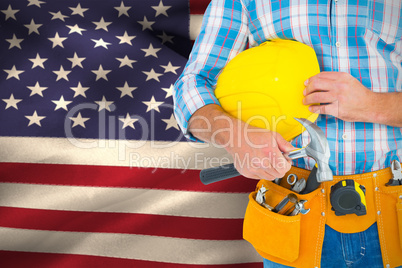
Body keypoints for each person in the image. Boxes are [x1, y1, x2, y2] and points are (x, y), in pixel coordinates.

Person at [174, 0, 402, 267]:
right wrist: (237, 137)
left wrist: (374, 106)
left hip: (394, 206)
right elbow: (192, 84)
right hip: (293, 208)